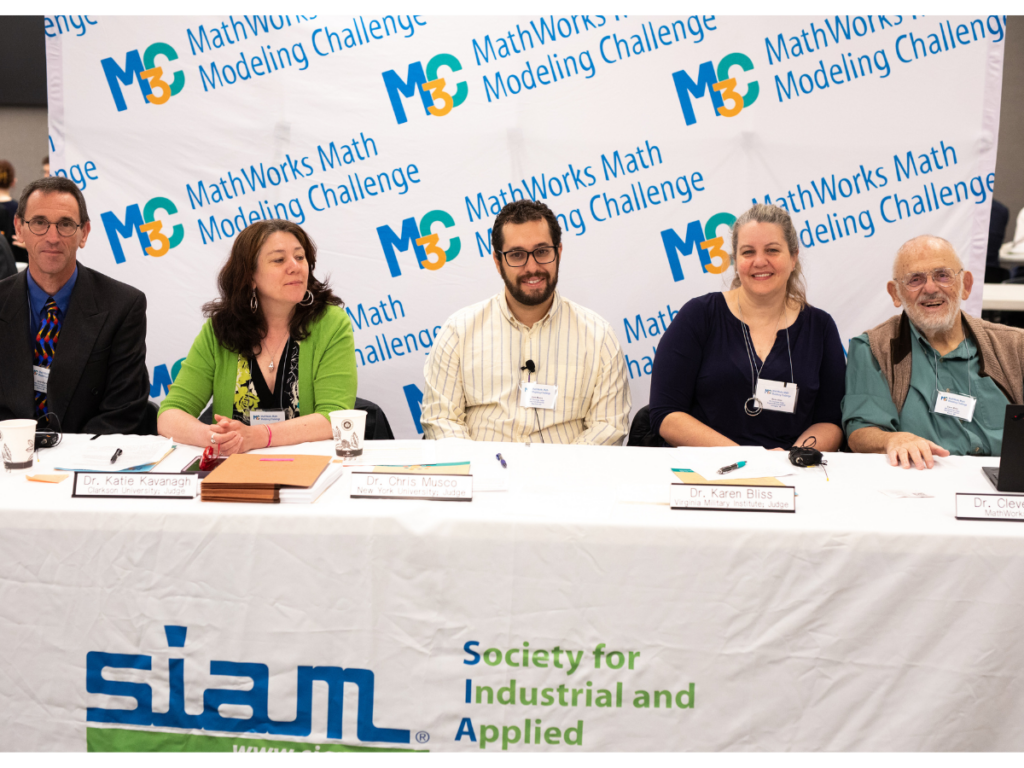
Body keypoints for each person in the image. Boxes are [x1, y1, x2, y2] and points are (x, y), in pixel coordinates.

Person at [421, 199, 631, 444]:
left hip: (567, 478)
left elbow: (608, 426)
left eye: (542, 252)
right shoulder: (458, 332)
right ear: (498, 262)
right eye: (517, 255)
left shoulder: (599, 337)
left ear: (558, 253)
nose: (532, 267)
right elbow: (441, 420)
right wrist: (483, 468)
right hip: (484, 476)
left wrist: (557, 473)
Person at [649, 203, 846, 451]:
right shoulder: (698, 316)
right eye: (748, 252)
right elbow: (665, 414)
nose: (759, 261)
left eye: (772, 250)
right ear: (735, 259)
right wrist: (747, 459)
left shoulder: (821, 327)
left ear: (794, 257)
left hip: (793, 473)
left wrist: (792, 457)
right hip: (709, 472)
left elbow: (831, 422)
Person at [158, 219, 357, 454]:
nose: (295, 266)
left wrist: (258, 436)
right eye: (279, 260)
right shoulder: (220, 329)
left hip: (309, 467)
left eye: (300, 257)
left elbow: (334, 417)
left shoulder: (331, 323)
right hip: (235, 470)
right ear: (250, 276)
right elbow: (169, 415)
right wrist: (215, 438)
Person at [843, 235, 1024, 469]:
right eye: (915, 279)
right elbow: (859, 432)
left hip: (1005, 491)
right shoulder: (874, 349)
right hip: (920, 484)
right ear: (896, 293)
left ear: (966, 285)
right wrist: (892, 439)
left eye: (943, 275)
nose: (930, 288)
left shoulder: (1016, 346)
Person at [0, 177, 150, 433]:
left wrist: (59, 463)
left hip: (83, 463)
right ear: (18, 227)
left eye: (66, 224)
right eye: (39, 223)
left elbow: (122, 412)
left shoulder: (124, 306)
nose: (52, 237)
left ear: (85, 233)